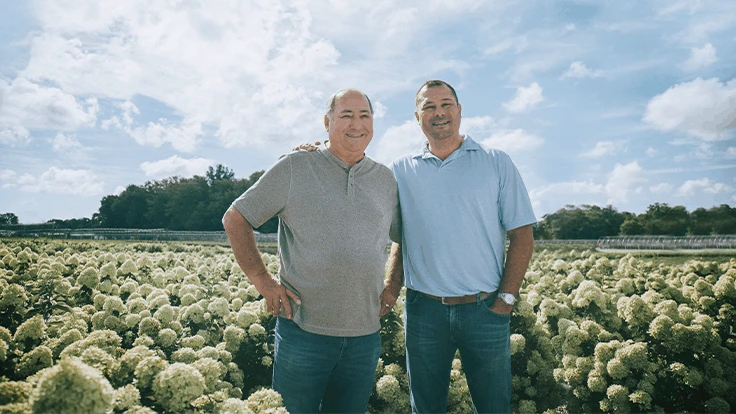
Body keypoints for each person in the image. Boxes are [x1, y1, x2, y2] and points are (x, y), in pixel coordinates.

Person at [222, 88, 402, 414]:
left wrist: (392, 286)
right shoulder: (295, 167)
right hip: (303, 334)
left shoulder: (385, 180)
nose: (356, 123)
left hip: (365, 336)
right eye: (346, 114)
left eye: (364, 115)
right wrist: (263, 281)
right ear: (327, 121)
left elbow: (403, 237)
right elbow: (236, 218)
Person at [383, 80, 536, 413]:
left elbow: (522, 235)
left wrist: (506, 300)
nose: (439, 113)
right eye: (429, 106)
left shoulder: (496, 161)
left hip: (485, 310)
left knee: (493, 406)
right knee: (425, 408)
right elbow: (401, 237)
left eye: (446, 104)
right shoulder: (400, 170)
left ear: (459, 110)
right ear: (417, 116)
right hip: (424, 312)